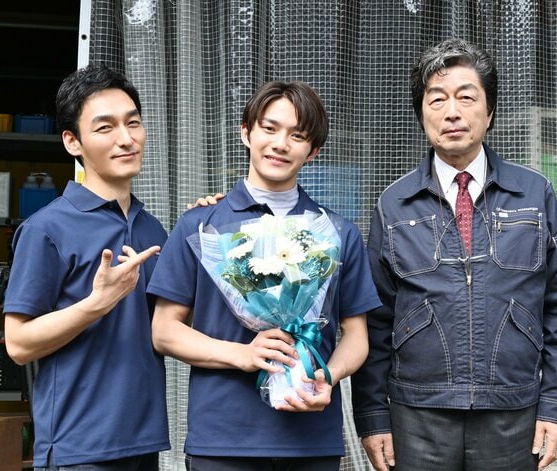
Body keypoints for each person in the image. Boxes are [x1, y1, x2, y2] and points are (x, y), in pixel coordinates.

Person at [351, 38, 557, 471]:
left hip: (514, 410)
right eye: (437, 99)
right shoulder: (393, 204)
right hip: (417, 415)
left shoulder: (534, 194)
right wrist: (372, 417)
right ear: (422, 113)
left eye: (466, 97)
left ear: (489, 111)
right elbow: (374, 322)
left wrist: (556, 407)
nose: (452, 112)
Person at [147, 80, 382, 470]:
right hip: (222, 440)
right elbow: (164, 331)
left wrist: (327, 375)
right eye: (269, 128)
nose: (280, 144)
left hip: (312, 438)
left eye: (297, 135)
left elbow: (356, 335)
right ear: (246, 132)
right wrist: (244, 354)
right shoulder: (201, 226)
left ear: (313, 151)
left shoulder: (337, 233)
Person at [3, 64, 170, 470]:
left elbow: (169, 327)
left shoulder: (152, 229)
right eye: (105, 127)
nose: (126, 138)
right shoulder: (47, 229)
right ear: (72, 142)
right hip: (79, 448)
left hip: (143, 442)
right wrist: (96, 304)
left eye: (133, 123)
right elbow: (19, 345)